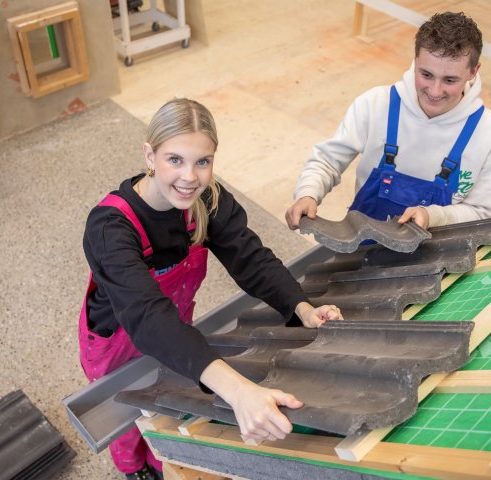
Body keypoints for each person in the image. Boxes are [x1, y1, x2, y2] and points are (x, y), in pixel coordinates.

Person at [79, 98, 343, 480]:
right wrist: (238, 392)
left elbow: (251, 258)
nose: (189, 176)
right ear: (150, 155)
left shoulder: (207, 199)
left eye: (202, 161)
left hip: (174, 323)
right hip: (117, 339)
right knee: (124, 412)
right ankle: (133, 468)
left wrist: (301, 307)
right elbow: (147, 316)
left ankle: (158, 456)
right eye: (175, 159)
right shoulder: (110, 227)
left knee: (161, 401)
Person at [286, 11, 491, 231]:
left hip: (437, 252)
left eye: (450, 80)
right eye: (426, 75)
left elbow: (479, 212)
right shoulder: (375, 104)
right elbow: (328, 161)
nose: (435, 91)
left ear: (474, 71)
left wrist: (432, 216)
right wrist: (308, 193)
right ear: (415, 60)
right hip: (362, 246)